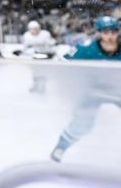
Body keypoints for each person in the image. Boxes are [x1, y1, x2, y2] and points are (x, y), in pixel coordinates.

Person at [50, 16, 121, 162]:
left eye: (113, 32)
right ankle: (61, 147)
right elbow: (64, 62)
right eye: (106, 32)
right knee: (83, 120)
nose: (110, 36)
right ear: (99, 33)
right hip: (92, 91)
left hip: (117, 90)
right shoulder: (87, 48)